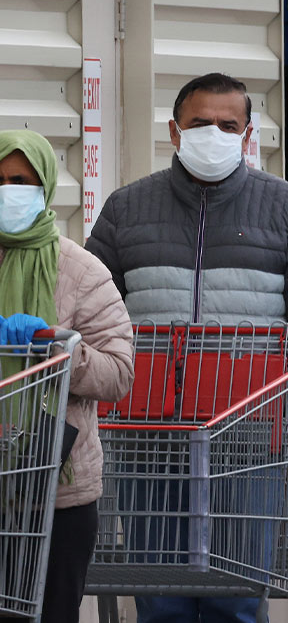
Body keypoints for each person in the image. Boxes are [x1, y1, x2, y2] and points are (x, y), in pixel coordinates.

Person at [88, 72, 288, 623]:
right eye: (200, 123)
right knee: (160, 599)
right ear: (174, 132)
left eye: (228, 125)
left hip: (248, 440)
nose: (214, 134)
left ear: (248, 135)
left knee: (238, 600)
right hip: (146, 438)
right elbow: (95, 315)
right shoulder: (126, 209)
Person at [0, 131, 133, 623]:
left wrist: (57, 350)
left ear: (45, 186)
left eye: (20, 181)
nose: (7, 191)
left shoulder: (80, 270)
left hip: (57, 490)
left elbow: (118, 373)